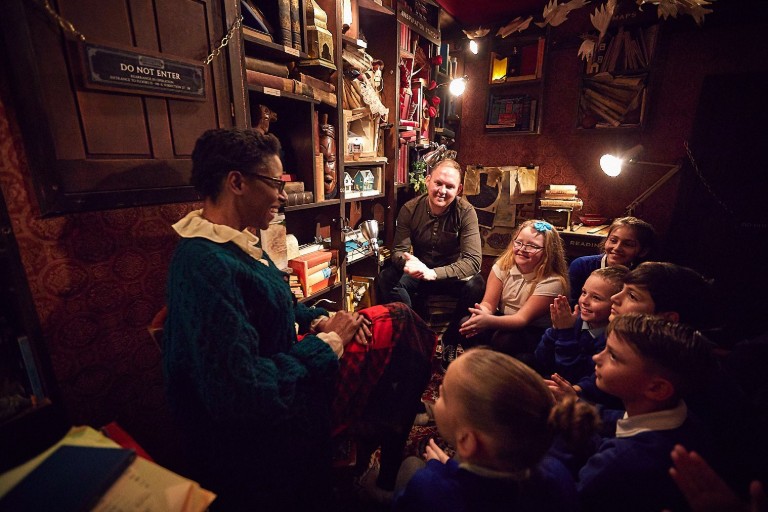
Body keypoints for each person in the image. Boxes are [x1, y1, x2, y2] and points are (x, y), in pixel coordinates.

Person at [162, 128, 437, 510]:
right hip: (267, 428)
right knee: (401, 334)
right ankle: (383, 461)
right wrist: (328, 344)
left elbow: (278, 305)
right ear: (236, 182)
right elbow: (242, 393)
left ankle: (384, 453)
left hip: (289, 378)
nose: (282, 194)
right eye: (275, 182)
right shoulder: (204, 265)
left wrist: (317, 321)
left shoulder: (234, 243)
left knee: (398, 325)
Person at [392, 347, 599, 512]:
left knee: (410, 465)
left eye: (444, 395)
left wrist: (439, 470)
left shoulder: (429, 488)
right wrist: (452, 468)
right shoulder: (558, 472)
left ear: (466, 442)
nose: (438, 391)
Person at [570, 313, 717, 512]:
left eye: (613, 356)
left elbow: (569, 500)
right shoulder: (684, 416)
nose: (597, 357)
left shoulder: (615, 463)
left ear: (657, 389)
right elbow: (620, 420)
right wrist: (577, 405)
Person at [547, 261, 715, 407]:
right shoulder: (630, 337)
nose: (614, 298)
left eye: (632, 296)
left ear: (668, 318)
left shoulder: (676, 369)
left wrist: (577, 400)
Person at [375, 158, 485, 368]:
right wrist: (406, 263)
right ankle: (412, 334)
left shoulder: (466, 212)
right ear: (428, 180)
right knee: (387, 277)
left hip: (449, 276)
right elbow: (398, 251)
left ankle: (451, 337)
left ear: (459, 189)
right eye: (438, 183)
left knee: (477, 284)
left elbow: (473, 262)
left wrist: (434, 273)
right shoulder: (410, 209)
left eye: (450, 186)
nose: (442, 190)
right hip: (418, 273)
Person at [452, 219, 568, 365]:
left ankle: (495, 371)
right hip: (502, 318)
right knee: (466, 324)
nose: (522, 249)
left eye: (532, 246)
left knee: (504, 339)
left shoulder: (553, 281)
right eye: (518, 242)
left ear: (548, 251)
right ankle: (481, 366)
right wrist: (480, 314)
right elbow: (489, 303)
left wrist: (488, 321)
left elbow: (521, 319)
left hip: (531, 329)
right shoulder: (503, 266)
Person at [534, 265, 628, 384]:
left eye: (596, 298)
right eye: (584, 293)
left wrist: (565, 332)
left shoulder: (611, 339)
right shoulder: (575, 321)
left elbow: (574, 375)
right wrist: (556, 328)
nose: (584, 300)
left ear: (616, 304)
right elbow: (541, 359)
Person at [567, 216, 655, 304]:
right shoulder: (582, 266)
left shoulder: (641, 277)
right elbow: (572, 304)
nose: (617, 248)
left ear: (643, 251)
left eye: (628, 244)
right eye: (613, 240)